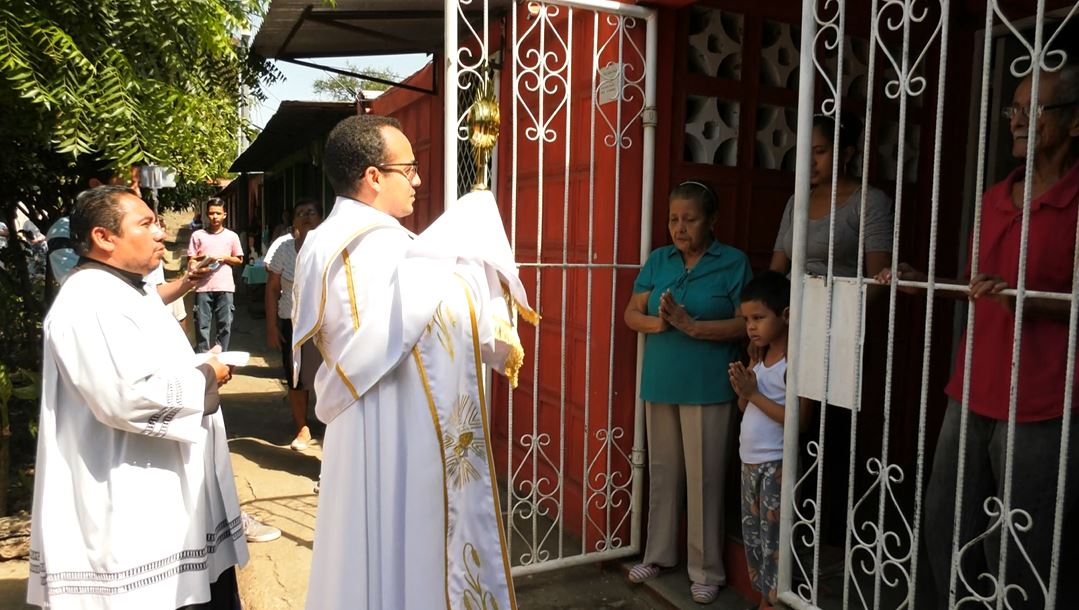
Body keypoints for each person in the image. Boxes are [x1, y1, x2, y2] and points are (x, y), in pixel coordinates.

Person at [293, 114, 535, 609]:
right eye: (410, 169)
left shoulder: (324, 238)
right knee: (407, 544)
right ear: (373, 176)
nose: (419, 181)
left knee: (365, 551)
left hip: (360, 421)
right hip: (395, 424)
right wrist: (474, 265)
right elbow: (435, 315)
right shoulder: (376, 244)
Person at [878, 62, 1079, 608]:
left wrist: (1022, 297)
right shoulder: (995, 198)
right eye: (1014, 109)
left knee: (1023, 542)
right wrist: (927, 285)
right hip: (971, 388)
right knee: (945, 524)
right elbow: (979, 288)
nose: (1018, 121)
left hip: (1042, 400)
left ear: (1075, 121)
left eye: (1034, 109)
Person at [27, 185, 247, 609]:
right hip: (127, 495)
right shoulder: (88, 301)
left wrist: (197, 363)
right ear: (103, 237)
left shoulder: (124, 289)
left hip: (160, 487)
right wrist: (206, 375)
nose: (161, 233)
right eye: (145, 224)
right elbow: (126, 396)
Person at [624, 181, 752, 604]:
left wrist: (693, 326)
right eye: (673, 219)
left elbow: (745, 324)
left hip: (708, 384)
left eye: (690, 219)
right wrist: (662, 323)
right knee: (663, 473)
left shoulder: (733, 263)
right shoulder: (658, 260)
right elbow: (631, 313)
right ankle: (658, 555)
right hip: (661, 380)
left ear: (712, 221)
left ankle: (706, 570)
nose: (680, 228)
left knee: (706, 478)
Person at [728, 271, 810, 610]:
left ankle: (775, 601)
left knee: (776, 540)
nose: (751, 326)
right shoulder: (759, 358)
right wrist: (744, 390)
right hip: (750, 463)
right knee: (755, 538)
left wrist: (754, 393)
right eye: (747, 319)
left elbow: (798, 421)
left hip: (776, 466)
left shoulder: (794, 363)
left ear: (786, 315)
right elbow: (743, 406)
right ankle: (765, 597)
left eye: (759, 318)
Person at [770, 113, 893, 279]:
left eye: (820, 152)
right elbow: (777, 268)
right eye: (803, 151)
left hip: (837, 302)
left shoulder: (869, 201)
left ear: (847, 154)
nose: (810, 161)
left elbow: (879, 278)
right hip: (790, 301)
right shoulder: (797, 200)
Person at [265, 199, 323, 451]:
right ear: (293, 221)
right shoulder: (284, 249)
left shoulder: (329, 246)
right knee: (296, 377)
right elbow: (272, 289)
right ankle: (302, 427)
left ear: (321, 219)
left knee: (327, 376)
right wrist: (271, 326)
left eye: (311, 213)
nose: (306, 217)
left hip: (325, 323)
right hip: (293, 321)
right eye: (301, 213)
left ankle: (333, 425)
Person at [188, 198, 244, 353]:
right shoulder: (197, 235)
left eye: (218, 213)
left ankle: (221, 356)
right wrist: (201, 261)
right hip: (202, 287)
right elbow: (191, 259)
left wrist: (224, 257)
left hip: (225, 287)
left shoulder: (232, 236)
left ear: (224, 215)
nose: (215, 217)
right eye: (211, 213)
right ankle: (203, 359)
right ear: (206, 215)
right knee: (201, 325)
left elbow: (239, 259)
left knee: (224, 325)